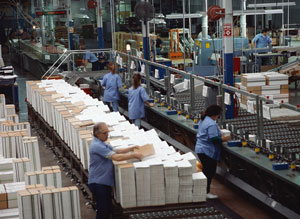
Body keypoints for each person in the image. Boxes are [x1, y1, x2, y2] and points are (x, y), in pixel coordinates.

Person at [88, 122, 143, 219]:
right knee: (103, 212)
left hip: (103, 182)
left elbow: (117, 151)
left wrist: (131, 148)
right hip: (98, 183)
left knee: (107, 209)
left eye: (108, 132)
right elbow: (116, 157)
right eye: (105, 133)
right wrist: (133, 155)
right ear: (98, 134)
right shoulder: (97, 146)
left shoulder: (101, 143)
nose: (107, 135)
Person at [195, 105, 231, 199]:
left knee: (206, 171)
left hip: (201, 149)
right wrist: (224, 138)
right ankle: (205, 193)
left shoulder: (204, 119)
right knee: (209, 172)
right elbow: (214, 139)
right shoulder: (211, 124)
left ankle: (202, 191)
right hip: (207, 151)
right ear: (215, 115)